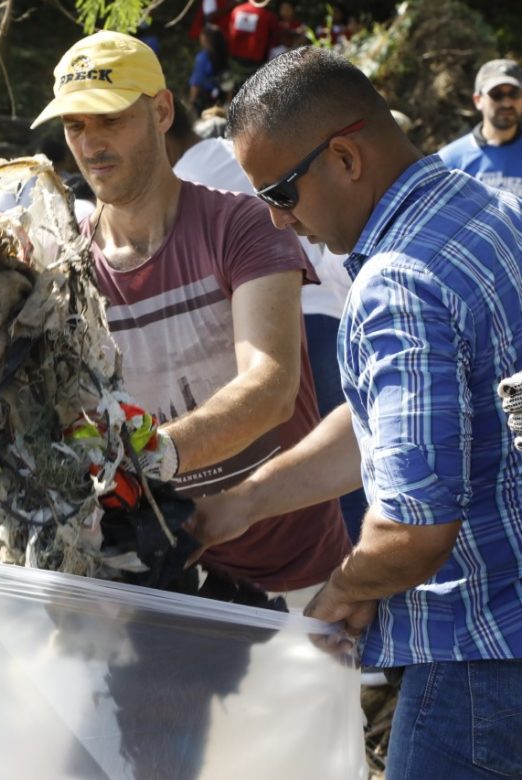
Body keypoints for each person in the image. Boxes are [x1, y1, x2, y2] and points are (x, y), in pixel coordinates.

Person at [196, 45, 522, 778]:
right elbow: (399, 422)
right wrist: (245, 503)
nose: (280, 223)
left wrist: (338, 595)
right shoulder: (493, 207)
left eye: (280, 193)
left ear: (344, 158)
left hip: (480, 656)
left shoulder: (397, 281)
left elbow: (411, 529)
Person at [31, 30, 349, 606]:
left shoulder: (241, 225)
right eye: (75, 126)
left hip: (288, 563)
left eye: (110, 120)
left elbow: (272, 386)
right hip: (157, 578)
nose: (91, 144)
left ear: (161, 112)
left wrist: (151, 456)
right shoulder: (66, 270)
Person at [165, 101, 366, 541]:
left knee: (337, 467)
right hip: (336, 312)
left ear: (162, 124)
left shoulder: (189, 186)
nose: (279, 214)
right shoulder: (231, 151)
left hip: (301, 318)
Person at [436, 58, 522, 196]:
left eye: (514, 94)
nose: (506, 103)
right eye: (496, 95)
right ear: (478, 100)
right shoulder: (450, 161)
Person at [226, 0, 279, 69]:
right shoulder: (268, 15)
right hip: (256, 61)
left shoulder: (237, 10)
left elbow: (231, 34)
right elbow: (274, 38)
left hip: (235, 59)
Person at [189, 24, 229, 113]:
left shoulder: (202, 58)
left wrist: (192, 101)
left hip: (205, 101)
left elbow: (196, 82)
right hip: (220, 100)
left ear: (205, 38)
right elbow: (228, 81)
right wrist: (229, 102)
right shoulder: (224, 56)